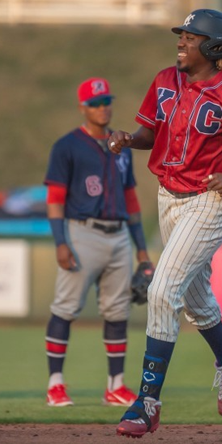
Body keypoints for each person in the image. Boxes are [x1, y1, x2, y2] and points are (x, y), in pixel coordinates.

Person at [107, 9, 222, 437]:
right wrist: (128, 139)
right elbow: (151, 134)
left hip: (212, 199)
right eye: (183, 35)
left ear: (213, 47)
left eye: (190, 37)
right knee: (193, 297)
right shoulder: (164, 81)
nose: (181, 42)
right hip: (168, 195)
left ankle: (147, 402)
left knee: (162, 290)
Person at [43, 77, 152, 408]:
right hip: (82, 233)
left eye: (106, 101)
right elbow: (55, 199)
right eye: (95, 103)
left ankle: (115, 386)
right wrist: (61, 242)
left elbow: (131, 199)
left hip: (118, 234)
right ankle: (55, 384)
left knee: (117, 311)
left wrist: (142, 251)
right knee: (66, 307)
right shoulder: (67, 146)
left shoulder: (121, 146)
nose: (102, 107)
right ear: (83, 107)